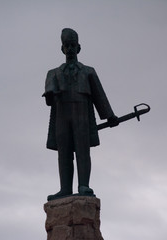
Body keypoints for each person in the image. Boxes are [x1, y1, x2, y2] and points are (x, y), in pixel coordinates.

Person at [43, 28, 118, 201]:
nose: (69, 49)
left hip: (82, 114)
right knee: (64, 153)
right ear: (62, 49)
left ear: (78, 48)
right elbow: (48, 98)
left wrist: (109, 116)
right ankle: (65, 188)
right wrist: (50, 94)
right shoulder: (53, 73)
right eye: (66, 46)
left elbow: (99, 95)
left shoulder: (88, 71)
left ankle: (83, 184)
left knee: (82, 151)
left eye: (72, 45)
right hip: (62, 115)